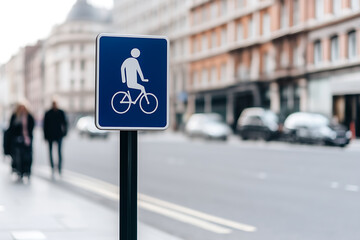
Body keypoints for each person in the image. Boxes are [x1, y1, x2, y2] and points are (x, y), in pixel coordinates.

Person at [7, 102, 35, 181]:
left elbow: (31, 126)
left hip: (27, 140)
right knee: (18, 156)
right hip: (17, 140)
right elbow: (11, 128)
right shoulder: (15, 116)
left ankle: (27, 171)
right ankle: (19, 170)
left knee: (27, 156)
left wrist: (27, 136)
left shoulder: (29, 116)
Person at [43, 100, 68, 176]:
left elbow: (65, 123)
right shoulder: (48, 113)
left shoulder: (61, 112)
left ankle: (59, 167)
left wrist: (64, 133)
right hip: (50, 135)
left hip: (59, 135)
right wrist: (45, 136)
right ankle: (52, 167)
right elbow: (45, 126)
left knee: (59, 152)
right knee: (50, 152)